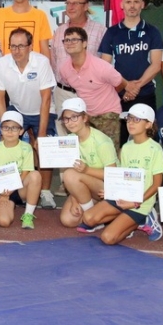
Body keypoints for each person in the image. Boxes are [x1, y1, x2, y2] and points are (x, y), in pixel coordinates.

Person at [78, 103, 163, 245]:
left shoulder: (155, 149)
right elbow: (123, 177)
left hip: (140, 203)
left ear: (148, 125)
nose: (130, 123)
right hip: (124, 197)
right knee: (87, 218)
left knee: (108, 238)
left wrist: (135, 202)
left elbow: (156, 184)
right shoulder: (126, 147)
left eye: (137, 120)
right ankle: (131, 221)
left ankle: (142, 219)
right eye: (129, 119)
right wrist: (111, 191)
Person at [0, 27, 58, 207]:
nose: (17, 51)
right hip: (17, 110)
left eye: (21, 46)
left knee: (43, 149)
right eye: (13, 46)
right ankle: (7, 189)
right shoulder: (2, 64)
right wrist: (5, 125)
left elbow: (45, 99)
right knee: (7, 146)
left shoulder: (42, 62)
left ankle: (45, 192)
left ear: (30, 46)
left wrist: (42, 134)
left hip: (41, 110)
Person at [98, 0, 163, 142]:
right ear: (122, 5)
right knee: (120, 140)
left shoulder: (152, 31)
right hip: (118, 96)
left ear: (142, 5)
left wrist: (136, 86)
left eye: (136, 2)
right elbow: (105, 66)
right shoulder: (112, 33)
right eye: (128, 2)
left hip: (145, 94)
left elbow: (156, 64)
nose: (132, 6)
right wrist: (126, 86)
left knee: (147, 139)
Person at [60, 26, 127, 151]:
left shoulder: (101, 66)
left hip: (108, 114)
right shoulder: (64, 69)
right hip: (85, 116)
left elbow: (119, 83)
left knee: (109, 153)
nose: (70, 43)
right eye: (67, 40)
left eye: (74, 40)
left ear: (85, 43)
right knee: (88, 153)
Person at [51, 0, 106, 135]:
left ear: (86, 6)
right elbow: (54, 61)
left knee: (91, 135)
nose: (71, 7)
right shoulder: (59, 31)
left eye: (76, 3)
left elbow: (106, 63)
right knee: (66, 140)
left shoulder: (100, 30)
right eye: (68, 3)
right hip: (63, 93)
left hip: (90, 93)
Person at [58, 98, 118, 228]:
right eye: (66, 119)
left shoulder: (102, 141)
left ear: (85, 118)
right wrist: (74, 199)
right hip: (85, 188)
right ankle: (95, 214)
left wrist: (86, 170)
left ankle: (93, 217)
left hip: (106, 188)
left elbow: (113, 175)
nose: (69, 122)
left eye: (74, 117)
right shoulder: (69, 141)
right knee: (68, 220)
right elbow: (71, 181)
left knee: (69, 174)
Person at [0, 112, 41, 230]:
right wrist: (2, 193)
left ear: (21, 131)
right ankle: (10, 205)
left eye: (14, 128)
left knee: (35, 175)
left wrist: (11, 190)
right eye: (6, 127)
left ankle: (28, 215)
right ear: (1, 130)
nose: (10, 131)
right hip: (1, 191)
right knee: (4, 222)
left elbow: (25, 173)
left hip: (20, 188)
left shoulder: (26, 148)